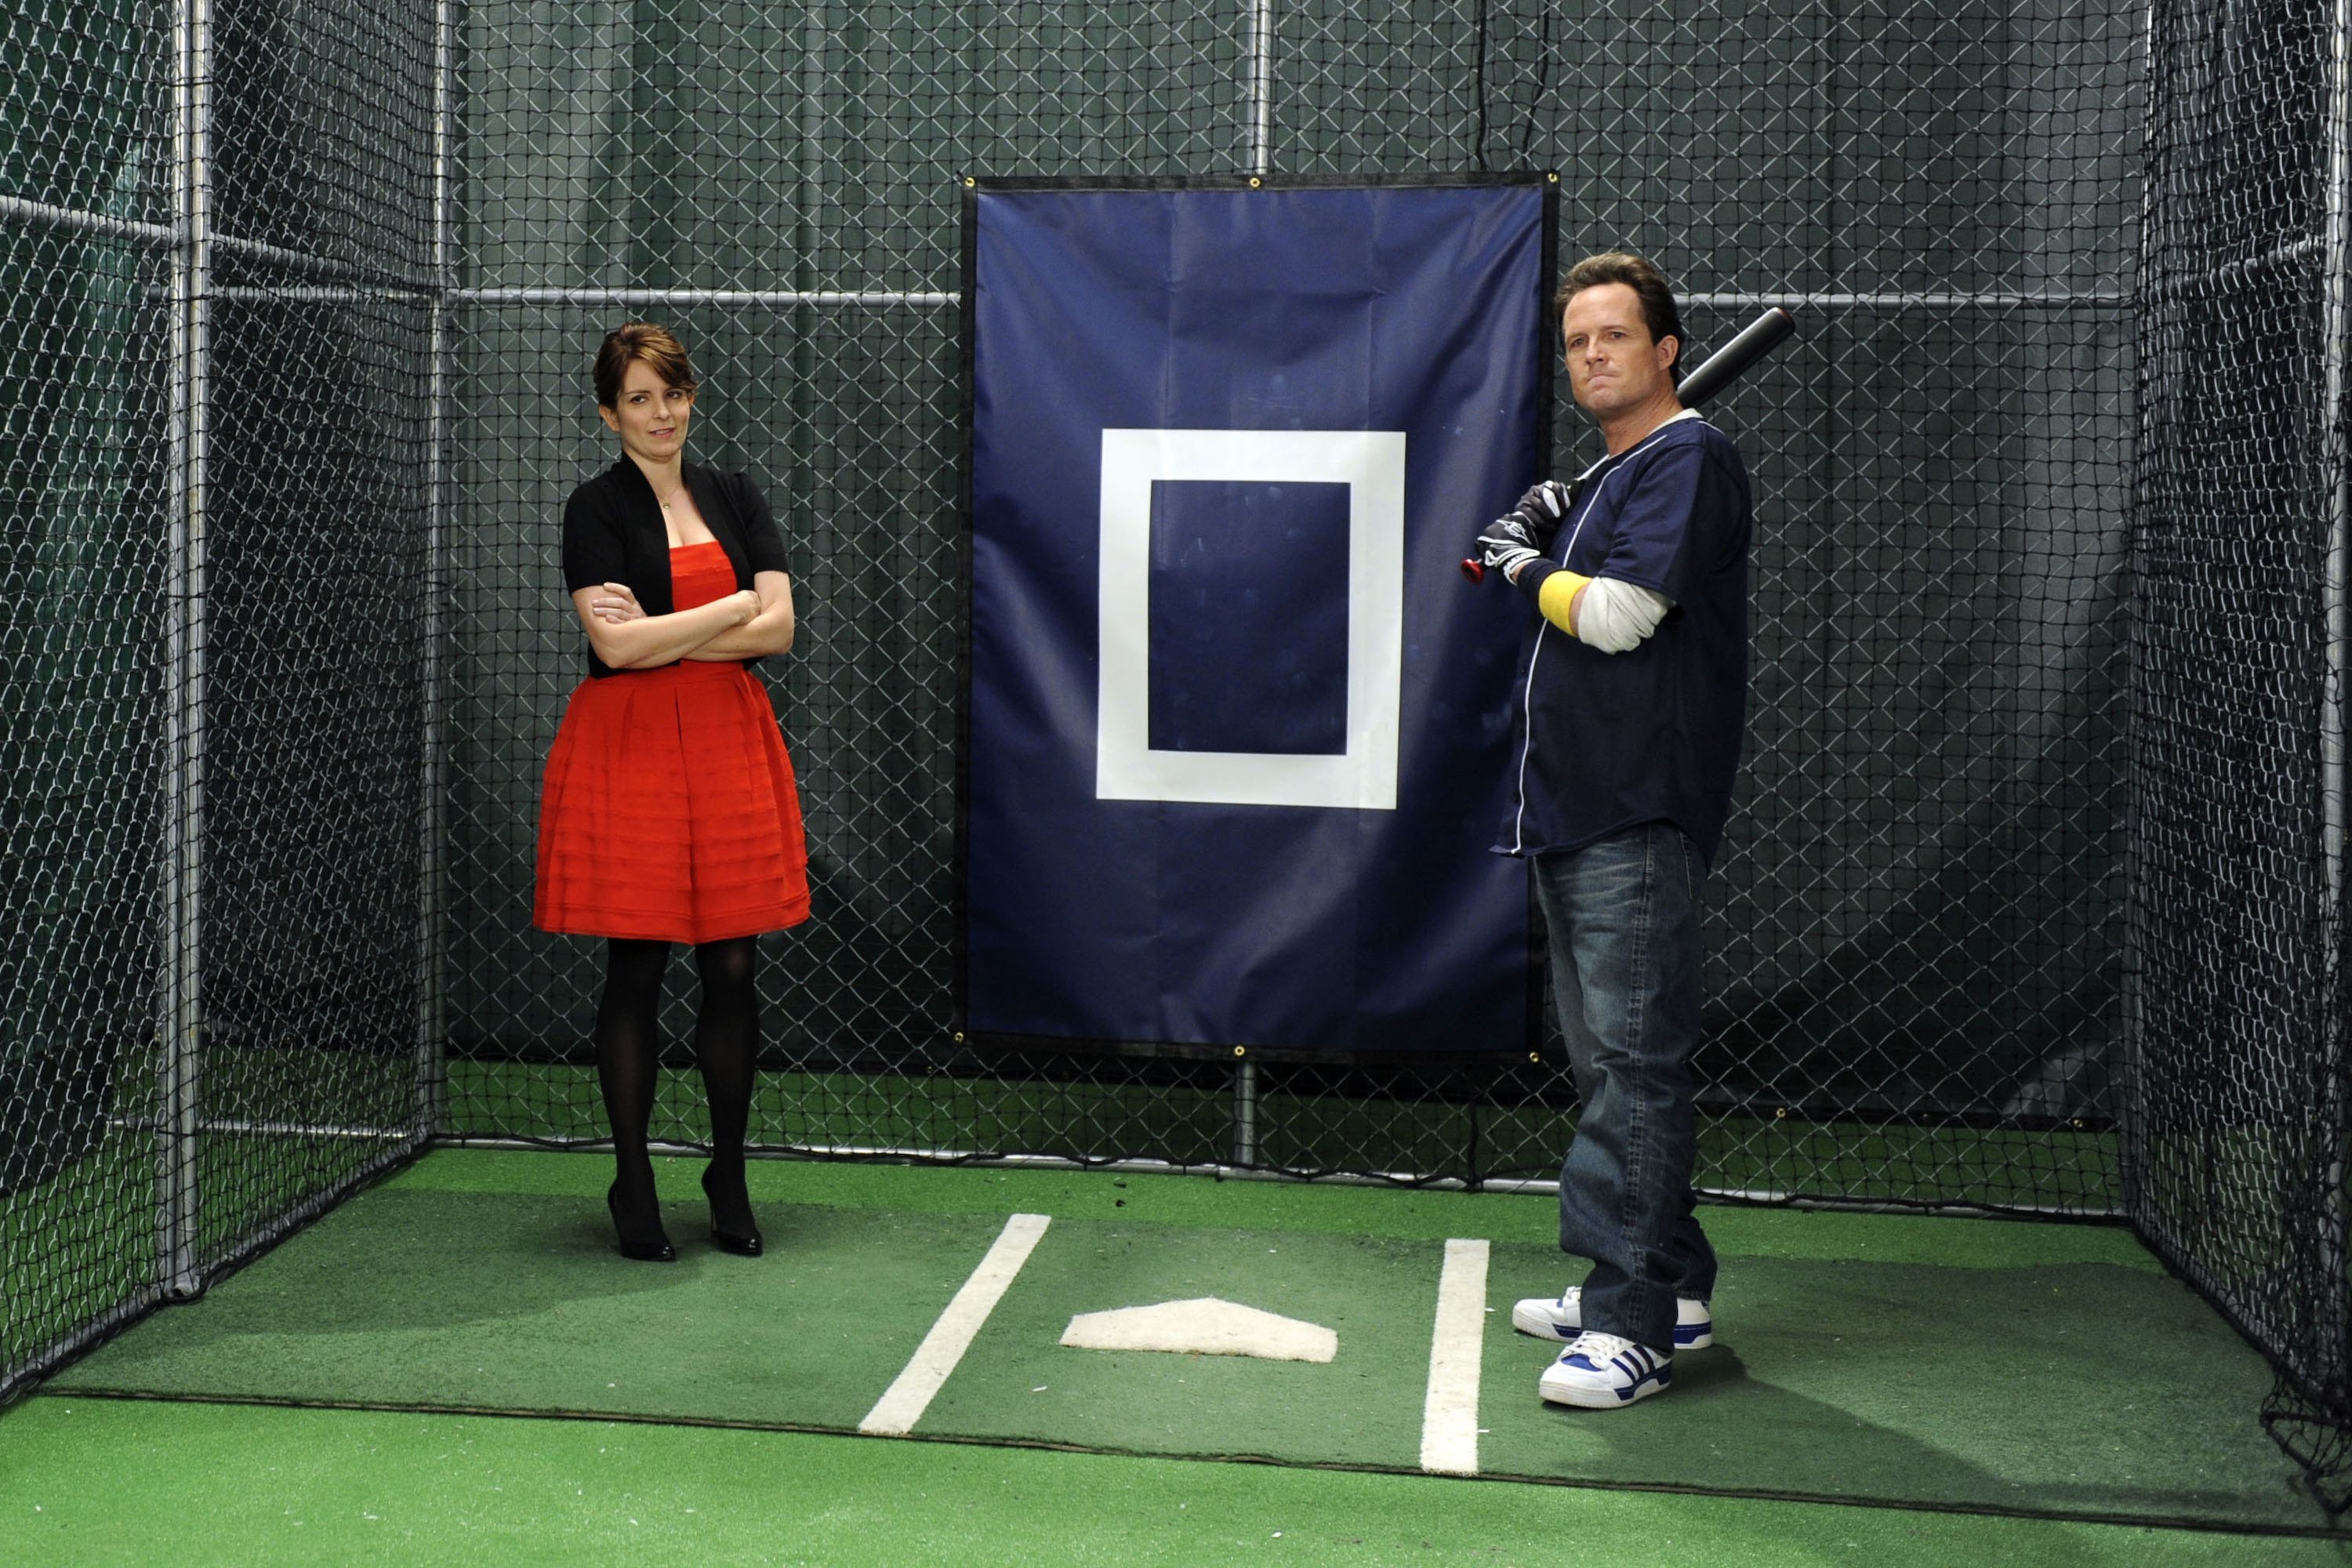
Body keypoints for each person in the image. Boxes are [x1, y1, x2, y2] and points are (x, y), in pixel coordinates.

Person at [1474, 252, 1755, 1408]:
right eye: (1579, 340)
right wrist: (1554, 521)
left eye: (1616, 336)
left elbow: (1622, 616)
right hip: (1580, 810)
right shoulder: (1617, 476)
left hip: (1638, 811)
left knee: (1633, 1072)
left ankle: (1630, 1324)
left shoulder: (1688, 458)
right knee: (1606, 1069)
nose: (1594, 354)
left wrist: (1528, 563)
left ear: (1666, 350)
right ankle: (1671, 1286)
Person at [534, 322, 811, 1263]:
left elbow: (776, 631)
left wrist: (682, 626)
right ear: (609, 412)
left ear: (692, 398)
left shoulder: (736, 493)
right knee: (638, 967)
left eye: (674, 394)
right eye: (640, 399)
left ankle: (726, 1174)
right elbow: (615, 648)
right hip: (634, 751)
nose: (661, 414)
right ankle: (633, 1180)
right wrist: (731, 607)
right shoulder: (593, 508)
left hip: (728, 744)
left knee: (733, 966)